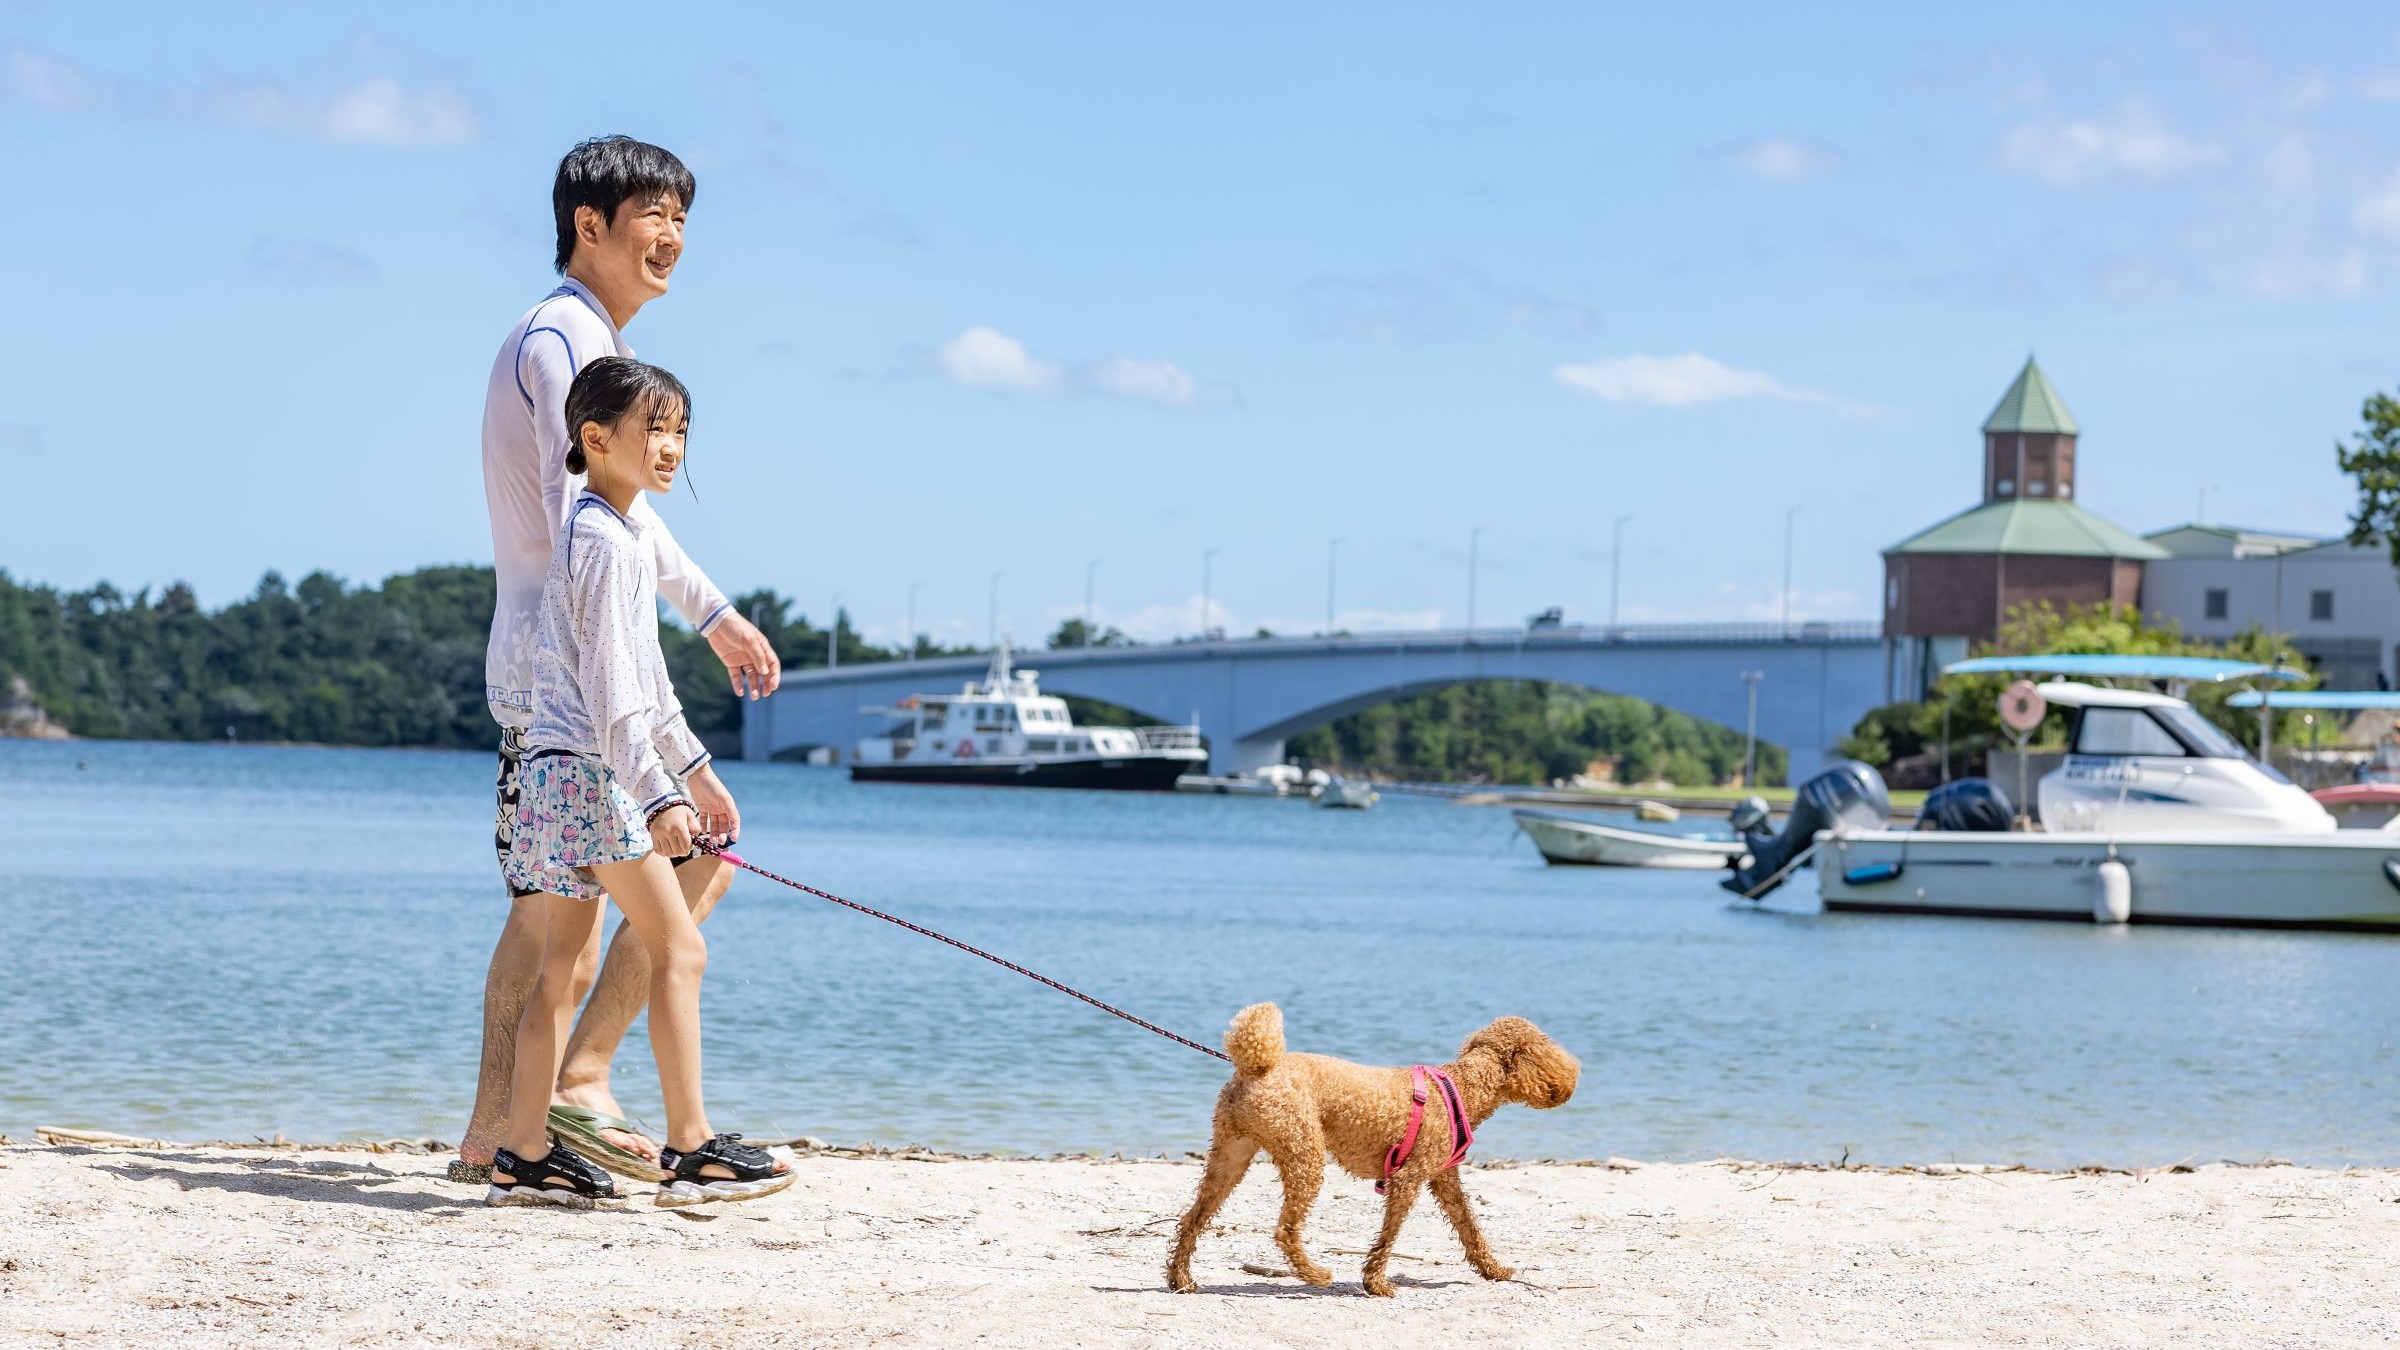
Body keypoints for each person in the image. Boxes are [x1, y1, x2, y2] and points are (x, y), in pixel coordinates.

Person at [459, 135, 782, 1183]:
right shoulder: (564, 339)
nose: (674, 236)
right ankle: (534, 1115)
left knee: (586, 909)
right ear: (587, 226)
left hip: (576, 674)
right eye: (653, 212)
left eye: (683, 217)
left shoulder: (590, 342)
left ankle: (531, 1118)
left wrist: (712, 615)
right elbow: (591, 531)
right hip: (557, 678)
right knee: (558, 923)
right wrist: (670, 746)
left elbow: (621, 525)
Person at [491, 355, 788, 1208]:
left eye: (681, 432)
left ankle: (523, 1151)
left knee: (559, 968)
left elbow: (649, 685)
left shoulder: (610, 533)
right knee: (679, 947)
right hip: (589, 775)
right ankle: (694, 1150)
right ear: (595, 438)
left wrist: (695, 774)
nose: (671, 448)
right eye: (654, 430)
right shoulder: (607, 544)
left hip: (555, 775)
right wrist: (659, 797)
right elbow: (617, 692)